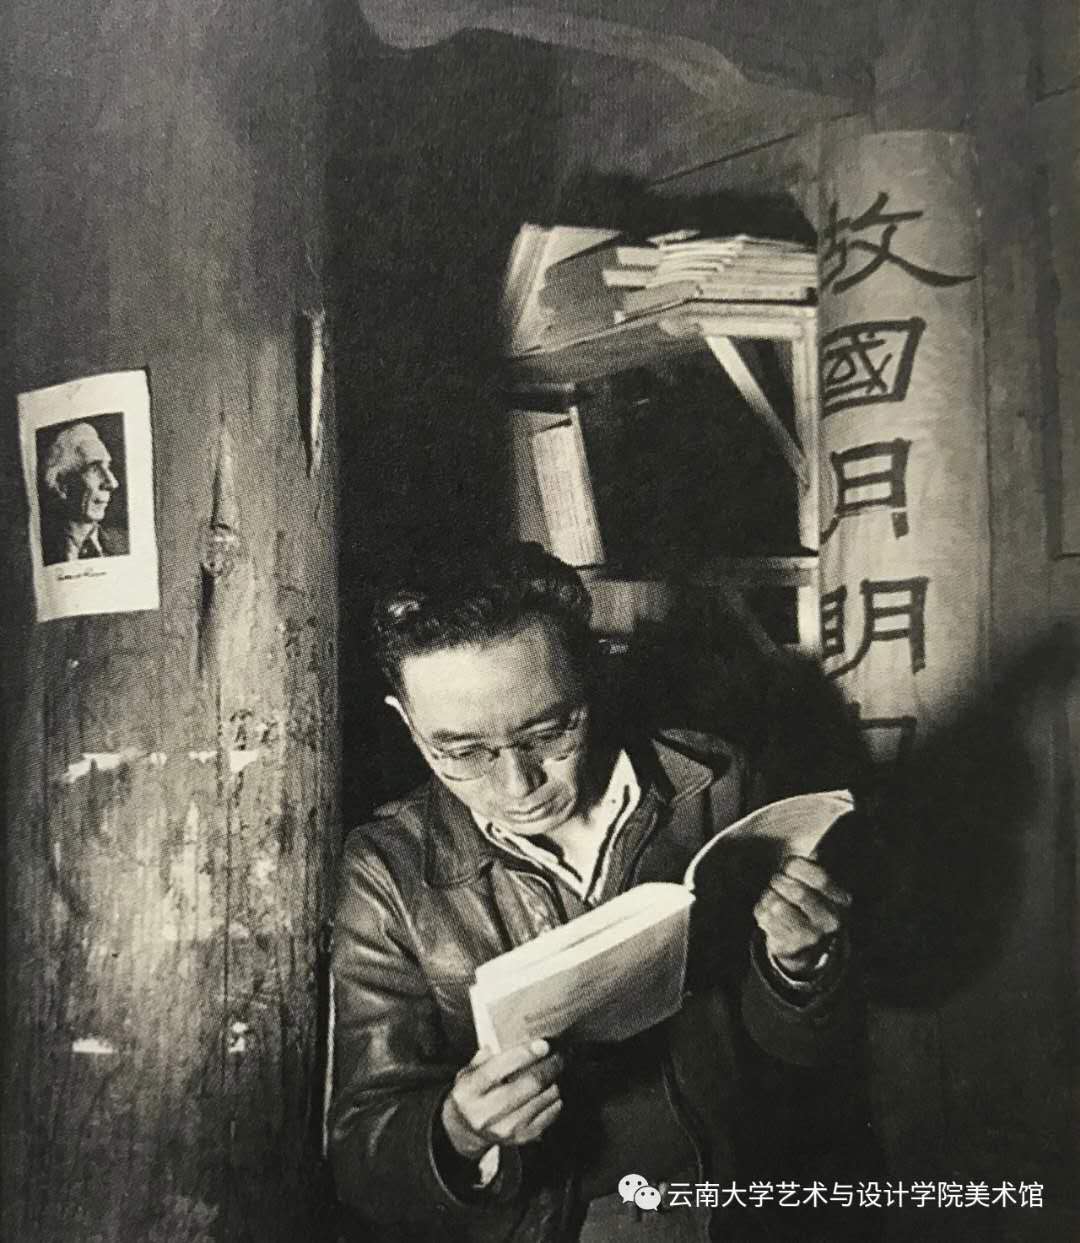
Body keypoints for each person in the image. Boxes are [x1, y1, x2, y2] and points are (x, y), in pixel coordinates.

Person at [329, 542, 858, 1242]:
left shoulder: (712, 784)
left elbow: (801, 1056)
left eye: (549, 732)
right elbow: (363, 1148)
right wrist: (456, 1131)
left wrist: (798, 967)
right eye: (461, 751)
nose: (517, 785)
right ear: (406, 721)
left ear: (593, 675)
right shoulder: (389, 871)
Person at [39, 421, 127, 564]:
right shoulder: (39, 550)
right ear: (62, 485)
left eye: (107, 467)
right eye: (94, 469)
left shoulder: (125, 544)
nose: (112, 483)